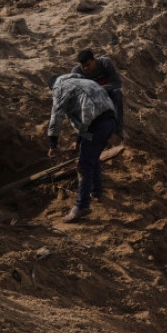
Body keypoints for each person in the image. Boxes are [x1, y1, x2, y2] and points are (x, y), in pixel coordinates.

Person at [47, 74, 117, 222]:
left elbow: (56, 116)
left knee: (84, 165)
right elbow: (89, 110)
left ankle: (82, 205)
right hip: (110, 121)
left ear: (52, 88)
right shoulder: (83, 82)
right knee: (93, 157)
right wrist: (79, 140)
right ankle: (96, 192)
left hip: (96, 125)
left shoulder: (59, 88)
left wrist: (53, 144)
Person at [72, 49, 124, 137]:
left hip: (107, 93)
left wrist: (100, 89)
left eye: (88, 65)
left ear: (94, 60)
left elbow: (117, 83)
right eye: (83, 66)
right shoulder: (77, 71)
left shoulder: (104, 62)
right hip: (91, 99)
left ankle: (119, 128)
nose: (86, 68)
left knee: (117, 93)